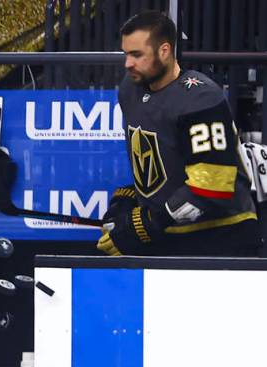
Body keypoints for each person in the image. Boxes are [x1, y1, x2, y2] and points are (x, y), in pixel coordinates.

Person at [97, 10, 260, 257]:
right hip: (170, 236)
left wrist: (148, 223)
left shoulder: (201, 98)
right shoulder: (130, 89)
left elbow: (212, 189)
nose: (128, 63)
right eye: (126, 54)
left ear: (164, 51)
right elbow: (161, 163)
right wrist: (130, 200)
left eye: (137, 55)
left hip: (223, 237)